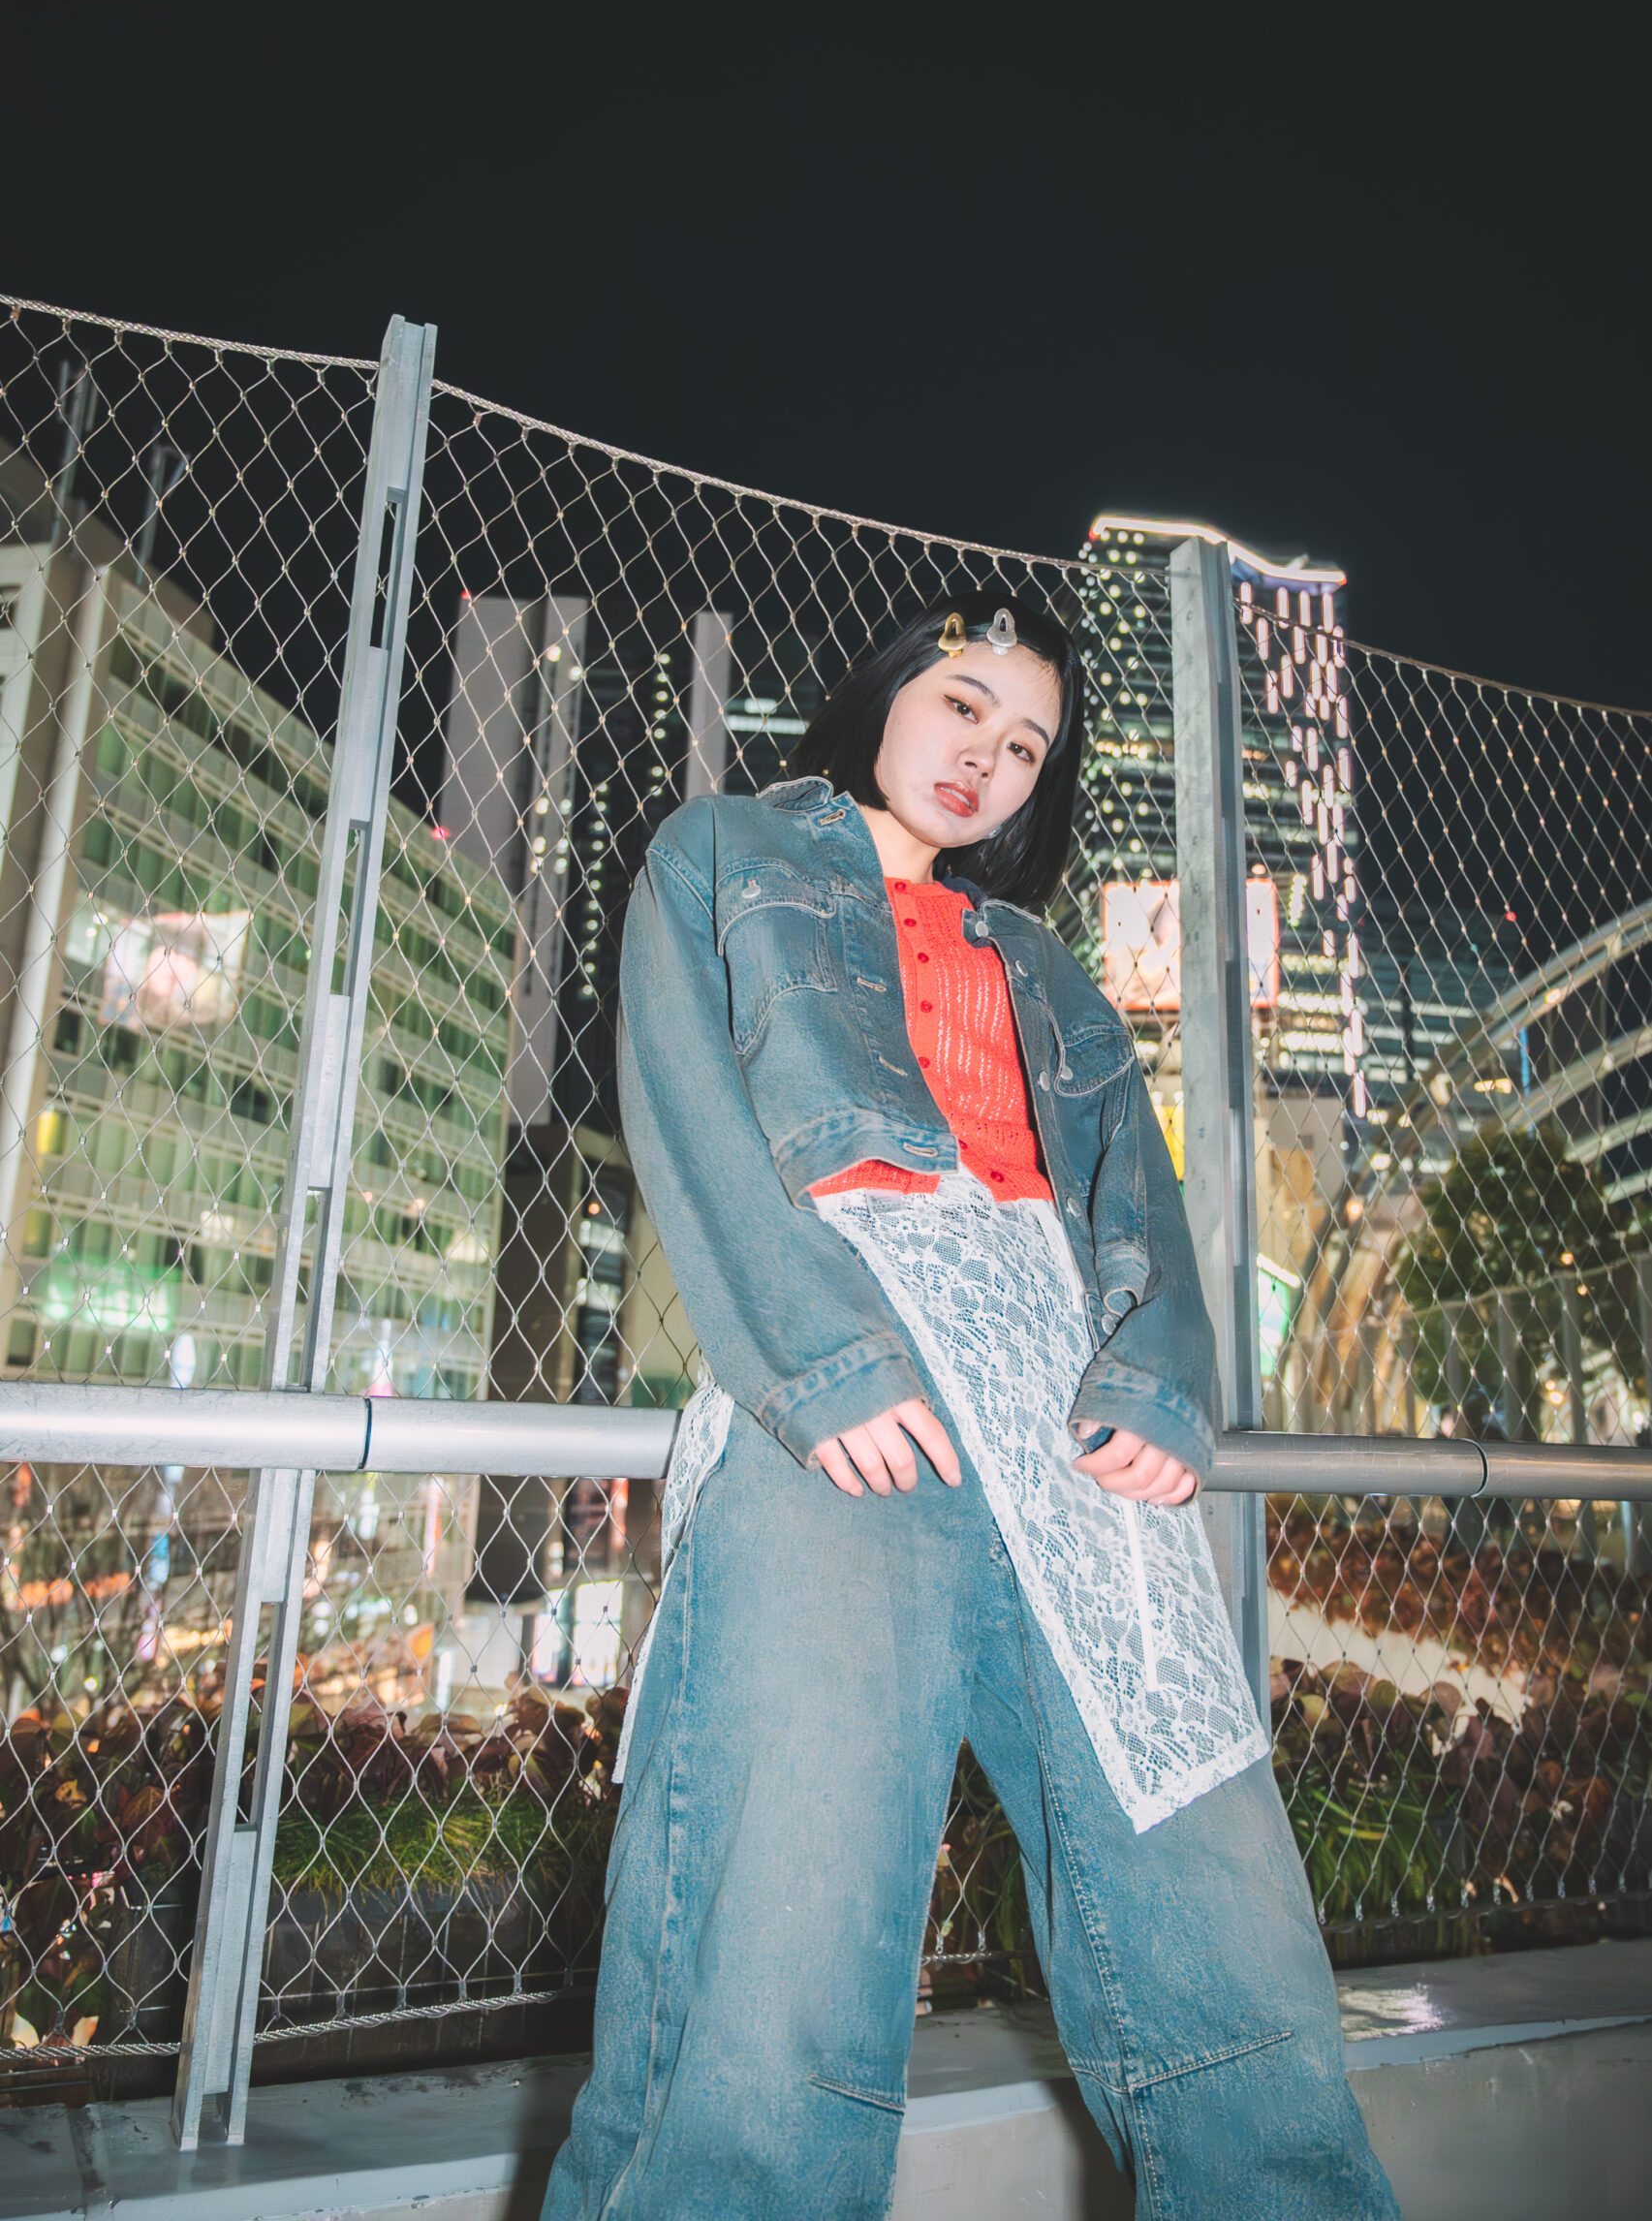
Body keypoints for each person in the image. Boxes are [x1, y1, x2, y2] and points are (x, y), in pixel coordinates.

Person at [544, 597, 1396, 2220]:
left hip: (1067, 1402)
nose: (985, 761)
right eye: (960, 707)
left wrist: (1161, 1379)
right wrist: (820, 1357)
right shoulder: (719, 853)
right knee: (787, 1920)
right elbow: (686, 1105)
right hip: (851, 1383)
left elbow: (1132, 1195)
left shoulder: (1042, 961)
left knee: (1216, 1902)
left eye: (1024, 747)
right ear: (882, 690)